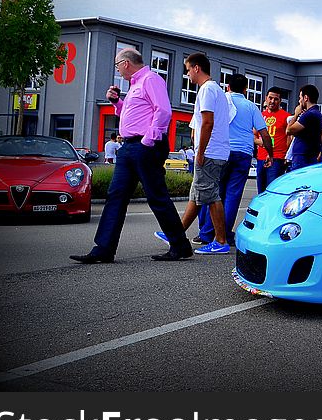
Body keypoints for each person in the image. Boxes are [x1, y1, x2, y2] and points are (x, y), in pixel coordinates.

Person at [70, 48, 191, 264]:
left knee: (156, 196)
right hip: (128, 147)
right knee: (115, 195)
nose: (117, 70)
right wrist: (116, 103)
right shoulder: (135, 85)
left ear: (126, 63)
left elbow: (163, 111)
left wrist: (148, 140)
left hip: (145, 144)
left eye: (117, 65)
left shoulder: (150, 79)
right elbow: (133, 113)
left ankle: (180, 246)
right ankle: (103, 249)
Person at [163, 52, 232, 255]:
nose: (188, 76)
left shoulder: (207, 90)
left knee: (211, 196)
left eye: (187, 70)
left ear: (196, 68)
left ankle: (220, 241)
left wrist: (200, 152)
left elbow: (207, 122)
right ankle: (175, 233)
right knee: (199, 193)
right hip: (216, 150)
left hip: (210, 152)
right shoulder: (216, 89)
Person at [192, 74, 272, 246]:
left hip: (222, 151)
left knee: (215, 193)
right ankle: (225, 234)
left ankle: (206, 233)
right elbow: (264, 133)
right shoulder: (251, 107)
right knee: (233, 196)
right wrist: (269, 153)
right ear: (245, 89)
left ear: (227, 87)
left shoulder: (221, 100)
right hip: (243, 153)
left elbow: (204, 123)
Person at [256, 87, 291, 192]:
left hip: (277, 159)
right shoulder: (260, 116)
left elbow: (290, 137)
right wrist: (261, 142)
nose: (272, 101)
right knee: (261, 191)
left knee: (272, 190)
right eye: (270, 98)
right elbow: (253, 135)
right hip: (261, 158)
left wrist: (286, 156)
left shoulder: (286, 117)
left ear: (280, 101)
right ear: (266, 98)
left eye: (275, 99)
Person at [286, 84, 322, 172]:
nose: (299, 101)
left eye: (300, 98)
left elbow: (289, 130)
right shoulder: (317, 114)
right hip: (309, 155)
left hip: (302, 157)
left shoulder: (309, 114)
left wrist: (296, 114)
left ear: (306, 98)